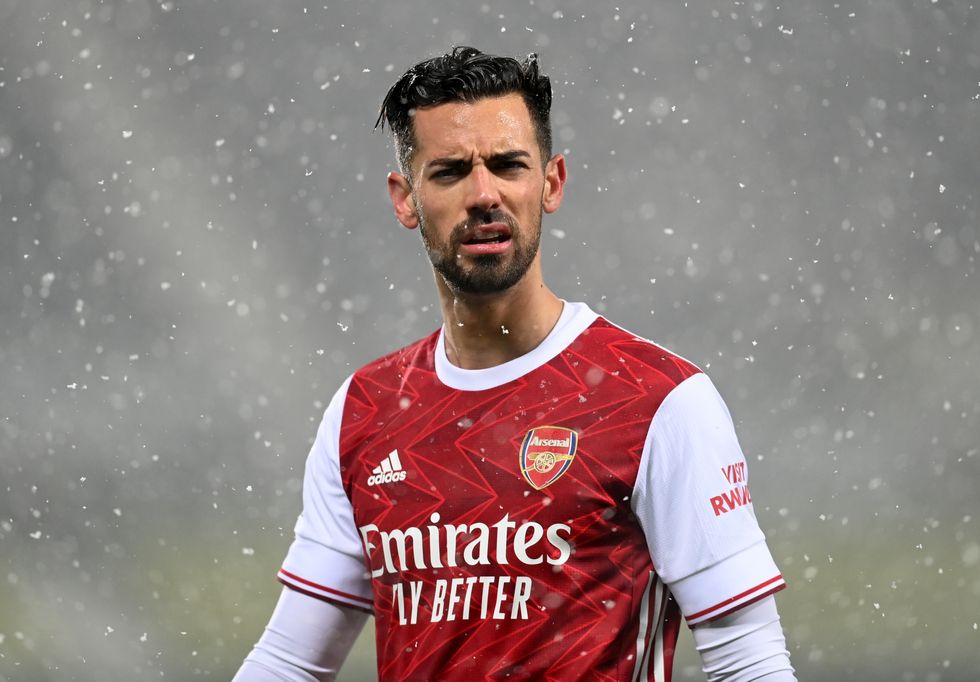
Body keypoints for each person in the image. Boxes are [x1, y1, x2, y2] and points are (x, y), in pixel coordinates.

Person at [234, 46, 796, 682]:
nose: (483, 195)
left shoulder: (659, 401)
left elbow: (749, 661)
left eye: (507, 165)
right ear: (406, 199)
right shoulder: (363, 411)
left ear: (551, 182)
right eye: (449, 172)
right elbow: (289, 662)